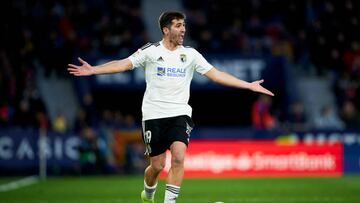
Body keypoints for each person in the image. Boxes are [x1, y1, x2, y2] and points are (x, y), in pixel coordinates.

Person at [68, 11, 274, 203]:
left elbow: (217, 74)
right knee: (156, 165)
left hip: (180, 113)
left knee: (178, 156)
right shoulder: (151, 51)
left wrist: (248, 85)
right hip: (153, 115)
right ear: (166, 30)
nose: (183, 29)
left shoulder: (191, 55)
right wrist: (94, 70)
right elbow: (124, 63)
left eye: (184, 25)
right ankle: (148, 194)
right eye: (178, 25)